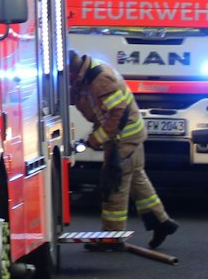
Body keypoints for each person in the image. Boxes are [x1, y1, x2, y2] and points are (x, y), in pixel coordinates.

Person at [69, 50, 178, 249]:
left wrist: (96, 139)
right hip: (126, 134)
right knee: (137, 179)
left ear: (72, 72)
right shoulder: (87, 73)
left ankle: (113, 237)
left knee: (113, 184)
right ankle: (162, 222)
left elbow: (117, 115)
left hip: (123, 138)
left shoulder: (99, 79)